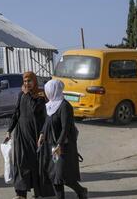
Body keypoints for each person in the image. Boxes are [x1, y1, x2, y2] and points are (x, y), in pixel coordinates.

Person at [6, 71, 53, 199]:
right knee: (21, 163)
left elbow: (35, 110)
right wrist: (9, 130)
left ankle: (39, 192)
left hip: (36, 135)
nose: (27, 84)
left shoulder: (41, 96)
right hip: (22, 135)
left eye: (29, 81)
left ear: (34, 81)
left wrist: (29, 95)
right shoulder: (21, 94)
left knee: (37, 164)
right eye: (25, 81)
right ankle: (20, 194)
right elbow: (16, 113)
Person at [38, 79, 88, 199]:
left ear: (54, 90)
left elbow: (66, 127)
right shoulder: (50, 106)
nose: (47, 93)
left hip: (62, 147)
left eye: (48, 90)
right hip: (51, 145)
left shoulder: (65, 106)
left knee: (62, 175)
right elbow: (47, 123)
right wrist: (42, 134)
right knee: (55, 175)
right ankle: (75, 193)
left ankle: (81, 190)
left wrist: (59, 144)